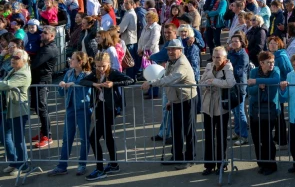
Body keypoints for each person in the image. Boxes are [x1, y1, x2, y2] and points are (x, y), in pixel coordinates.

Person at [142, 38, 197, 170]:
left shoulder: (182, 63)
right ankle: (176, 156)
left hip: (187, 99)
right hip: (176, 100)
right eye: (169, 50)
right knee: (176, 129)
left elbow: (171, 79)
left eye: (173, 49)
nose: (171, 52)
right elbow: (166, 78)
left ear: (180, 50)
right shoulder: (171, 62)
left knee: (188, 130)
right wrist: (170, 101)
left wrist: (151, 83)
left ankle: (190, 158)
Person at [79, 52, 134, 181]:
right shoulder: (96, 73)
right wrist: (95, 84)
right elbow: (83, 81)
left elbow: (130, 80)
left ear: (108, 64)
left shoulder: (113, 73)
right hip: (100, 107)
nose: (101, 69)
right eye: (98, 66)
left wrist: (113, 84)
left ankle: (99, 169)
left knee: (93, 137)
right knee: (107, 135)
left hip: (110, 108)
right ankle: (114, 164)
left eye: (103, 66)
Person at [48, 51, 92, 177]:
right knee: (67, 138)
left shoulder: (88, 74)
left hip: (83, 109)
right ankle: (62, 166)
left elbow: (87, 86)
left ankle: (82, 164)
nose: (70, 61)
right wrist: (61, 85)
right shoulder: (68, 73)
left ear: (80, 62)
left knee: (84, 138)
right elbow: (61, 93)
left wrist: (74, 84)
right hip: (70, 108)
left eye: (73, 59)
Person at [199, 46, 236, 176]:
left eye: (218, 57)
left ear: (224, 57)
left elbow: (231, 82)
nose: (215, 59)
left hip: (221, 106)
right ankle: (209, 165)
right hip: (207, 104)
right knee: (208, 136)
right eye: (214, 57)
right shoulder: (209, 66)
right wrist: (206, 85)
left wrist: (214, 81)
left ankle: (222, 164)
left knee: (221, 136)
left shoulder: (228, 67)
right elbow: (201, 81)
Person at [247, 51, 281, 175]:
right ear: (261, 63)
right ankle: (261, 163)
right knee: (257, 138)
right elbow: (249, 90)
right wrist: (258, 86)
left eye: (272, 62)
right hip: (255, 109)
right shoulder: (254, 71)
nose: (272, 64)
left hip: (270, 109)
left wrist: (256, 81)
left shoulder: (275, 70)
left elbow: (276, 80)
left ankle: (271, 164)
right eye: (268, 62)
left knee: (267, 138)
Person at [0, 49, 31, 176]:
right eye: (12, 57)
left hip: (18, 111)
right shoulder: (15, 69)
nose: (13, 59)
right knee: (5, 136)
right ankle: (14, 162)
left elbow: (7, 84)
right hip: (8, 109)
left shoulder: (23, 73)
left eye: (17, 58)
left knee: (18, 139)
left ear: (24, 61)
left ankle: (24, 165)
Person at [30, 26, 59, 148]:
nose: (42, 34)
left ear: (52, 36)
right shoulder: (44, 46)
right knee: (37, 106)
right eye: (42, 32)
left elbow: (35, 63)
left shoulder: (50, 49)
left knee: (42, 107)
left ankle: (48, 135)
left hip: (42, 81)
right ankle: (43, 131)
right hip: (36, 80)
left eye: (45, 33)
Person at [267, 36, 292, 150]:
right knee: (276, 115)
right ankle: (277, 138)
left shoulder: (281, 57)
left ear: (279, 45)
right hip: (273, 89)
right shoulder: (270, 55)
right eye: (270, 43)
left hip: (279, 89)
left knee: (279, 116)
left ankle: (282, 141)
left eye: (274, 43)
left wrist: (284, 84)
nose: (272, 45)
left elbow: (289, 71)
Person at [228, 32, 250, 145]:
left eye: (236, 41)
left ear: (241, 42)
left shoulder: (243, 55)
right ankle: (237, 132)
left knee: (240, 111)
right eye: (232, 41)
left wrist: (227, 71)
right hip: (231, 85)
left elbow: (239, 71)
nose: (234, 43)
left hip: (240, 85)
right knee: (235, 111)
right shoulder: (230, 53)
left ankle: (244, 135)